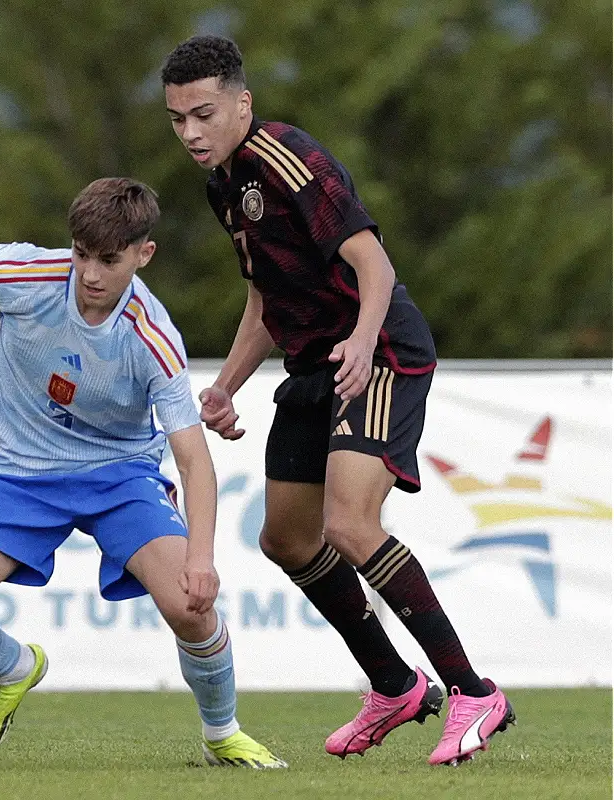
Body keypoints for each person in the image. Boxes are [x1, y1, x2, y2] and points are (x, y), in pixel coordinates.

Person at [159, 36, 515, 766]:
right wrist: (226, 385)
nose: (190, 132)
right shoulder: (223, 185)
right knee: (286, 539)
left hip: (379, 355)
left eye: (203, 114)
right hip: (315, 365)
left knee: (350, 525)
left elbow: (372, 263)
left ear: (241, 104)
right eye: (177, 120)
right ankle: (394, 687)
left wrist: (360, 338)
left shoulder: (289, 159)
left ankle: (472, 691)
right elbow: (266, 297)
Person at [0, 177, 285, 769]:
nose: (91, 274)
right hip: (14, 472)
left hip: (119, 477)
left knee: (191, 604)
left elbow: (194, 460)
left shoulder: (152, 337)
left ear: (143, 254)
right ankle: (15, 667)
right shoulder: (27, 276)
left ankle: (221, 733)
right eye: (82, 254)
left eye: (109, 260)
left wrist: (202, 559)